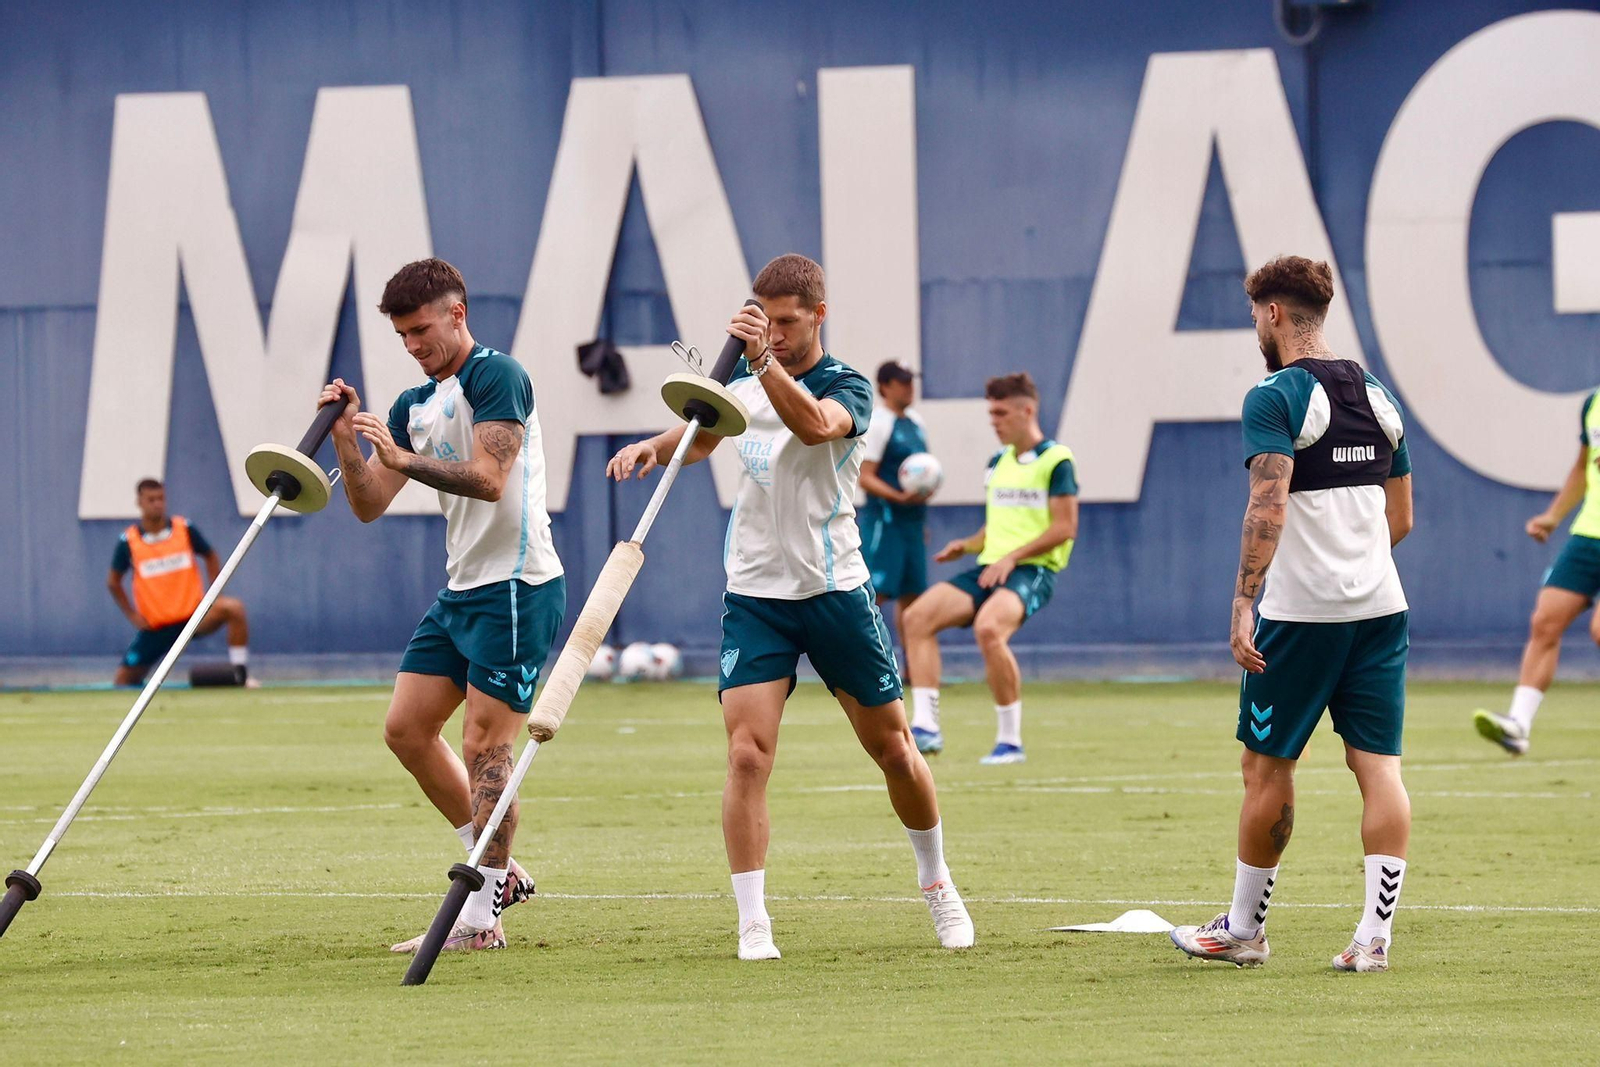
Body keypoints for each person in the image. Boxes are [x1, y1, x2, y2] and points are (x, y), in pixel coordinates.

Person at [606, 253, 973, 960]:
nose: (772, 333)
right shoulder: (746, 383)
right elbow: (705, 432)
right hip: (756, 593)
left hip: (835, 590)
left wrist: (760, 364)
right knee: (746, 755)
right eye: (764, 320)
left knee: (894, 748)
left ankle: (937, 882)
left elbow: (811, 425)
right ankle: (752, 919)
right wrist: (654, 447)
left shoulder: (850, 387)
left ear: (818, 315)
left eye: (786, 322)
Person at [1169, 256, 1414, 973]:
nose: (1255, 325)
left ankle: (1245, 928)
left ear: (1273, 312)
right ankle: (1373, 937)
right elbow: (1400, 519)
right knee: (1379, 768)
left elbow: (1267, 503)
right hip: (1381, 607)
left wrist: (1245, 599)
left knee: (1266, 766)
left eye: (1254, 314)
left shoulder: (1276, 393)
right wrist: (1353, 558)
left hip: (1303, 615)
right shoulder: (1379, 395)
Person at [318, 258, 565, 954]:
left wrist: (401, 461)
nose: (413, 346)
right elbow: (369, 504)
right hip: (461, 589)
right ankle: (500, 873)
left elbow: (489, 479)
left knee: (488, 747)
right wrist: (347, 435)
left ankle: (481, 917)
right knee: (405, 728)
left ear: (457, 314)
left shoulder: (498, 376)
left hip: (517, 587)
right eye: (402, 336)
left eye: (421, 330)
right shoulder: (409, 405)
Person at [899, 373, 1078, 762]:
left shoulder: (1056, 460)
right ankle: (926, 727)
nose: (994, 421)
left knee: (989, 628)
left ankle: (1010, 741)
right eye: (990, 414)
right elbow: (998, 526)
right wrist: (966, 545)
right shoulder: (996, 463)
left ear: (1026, 410)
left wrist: (1012, 558)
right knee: (917, 617)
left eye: (1000, 413)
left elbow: (1065, 527)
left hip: (1032, 570)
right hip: (989, 566)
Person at [1472, 390, 1600, 756]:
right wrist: (1554, 516)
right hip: (1589, 534)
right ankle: (1518, 725)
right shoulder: (1594, 403)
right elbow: (1583, 466)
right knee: (1545, 621)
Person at [108, 478, 253, 686]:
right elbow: (113, 582)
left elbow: (210, 555)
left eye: (161, 498)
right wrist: (131, 614)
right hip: (157, 626)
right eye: (151, 499)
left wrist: (214, 591)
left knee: (234, 609)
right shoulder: (129, 541)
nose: (157, 503)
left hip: (193, 617)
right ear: (139, 502)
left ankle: (241, 676)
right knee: (123, 681)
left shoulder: (183, 528)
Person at [857, 360, 933, 647]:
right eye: (902, 382)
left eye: (911, 381)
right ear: (885, 387)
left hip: (912, 523)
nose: (909, 388)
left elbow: (923, 470)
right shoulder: (878, 423)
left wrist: (920, 517)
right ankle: (859, 659)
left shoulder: (915, 422)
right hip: (885, 522)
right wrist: (899, 497)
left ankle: (914, 667)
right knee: (874, 593)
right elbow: (865, 477)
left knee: (913, 595)